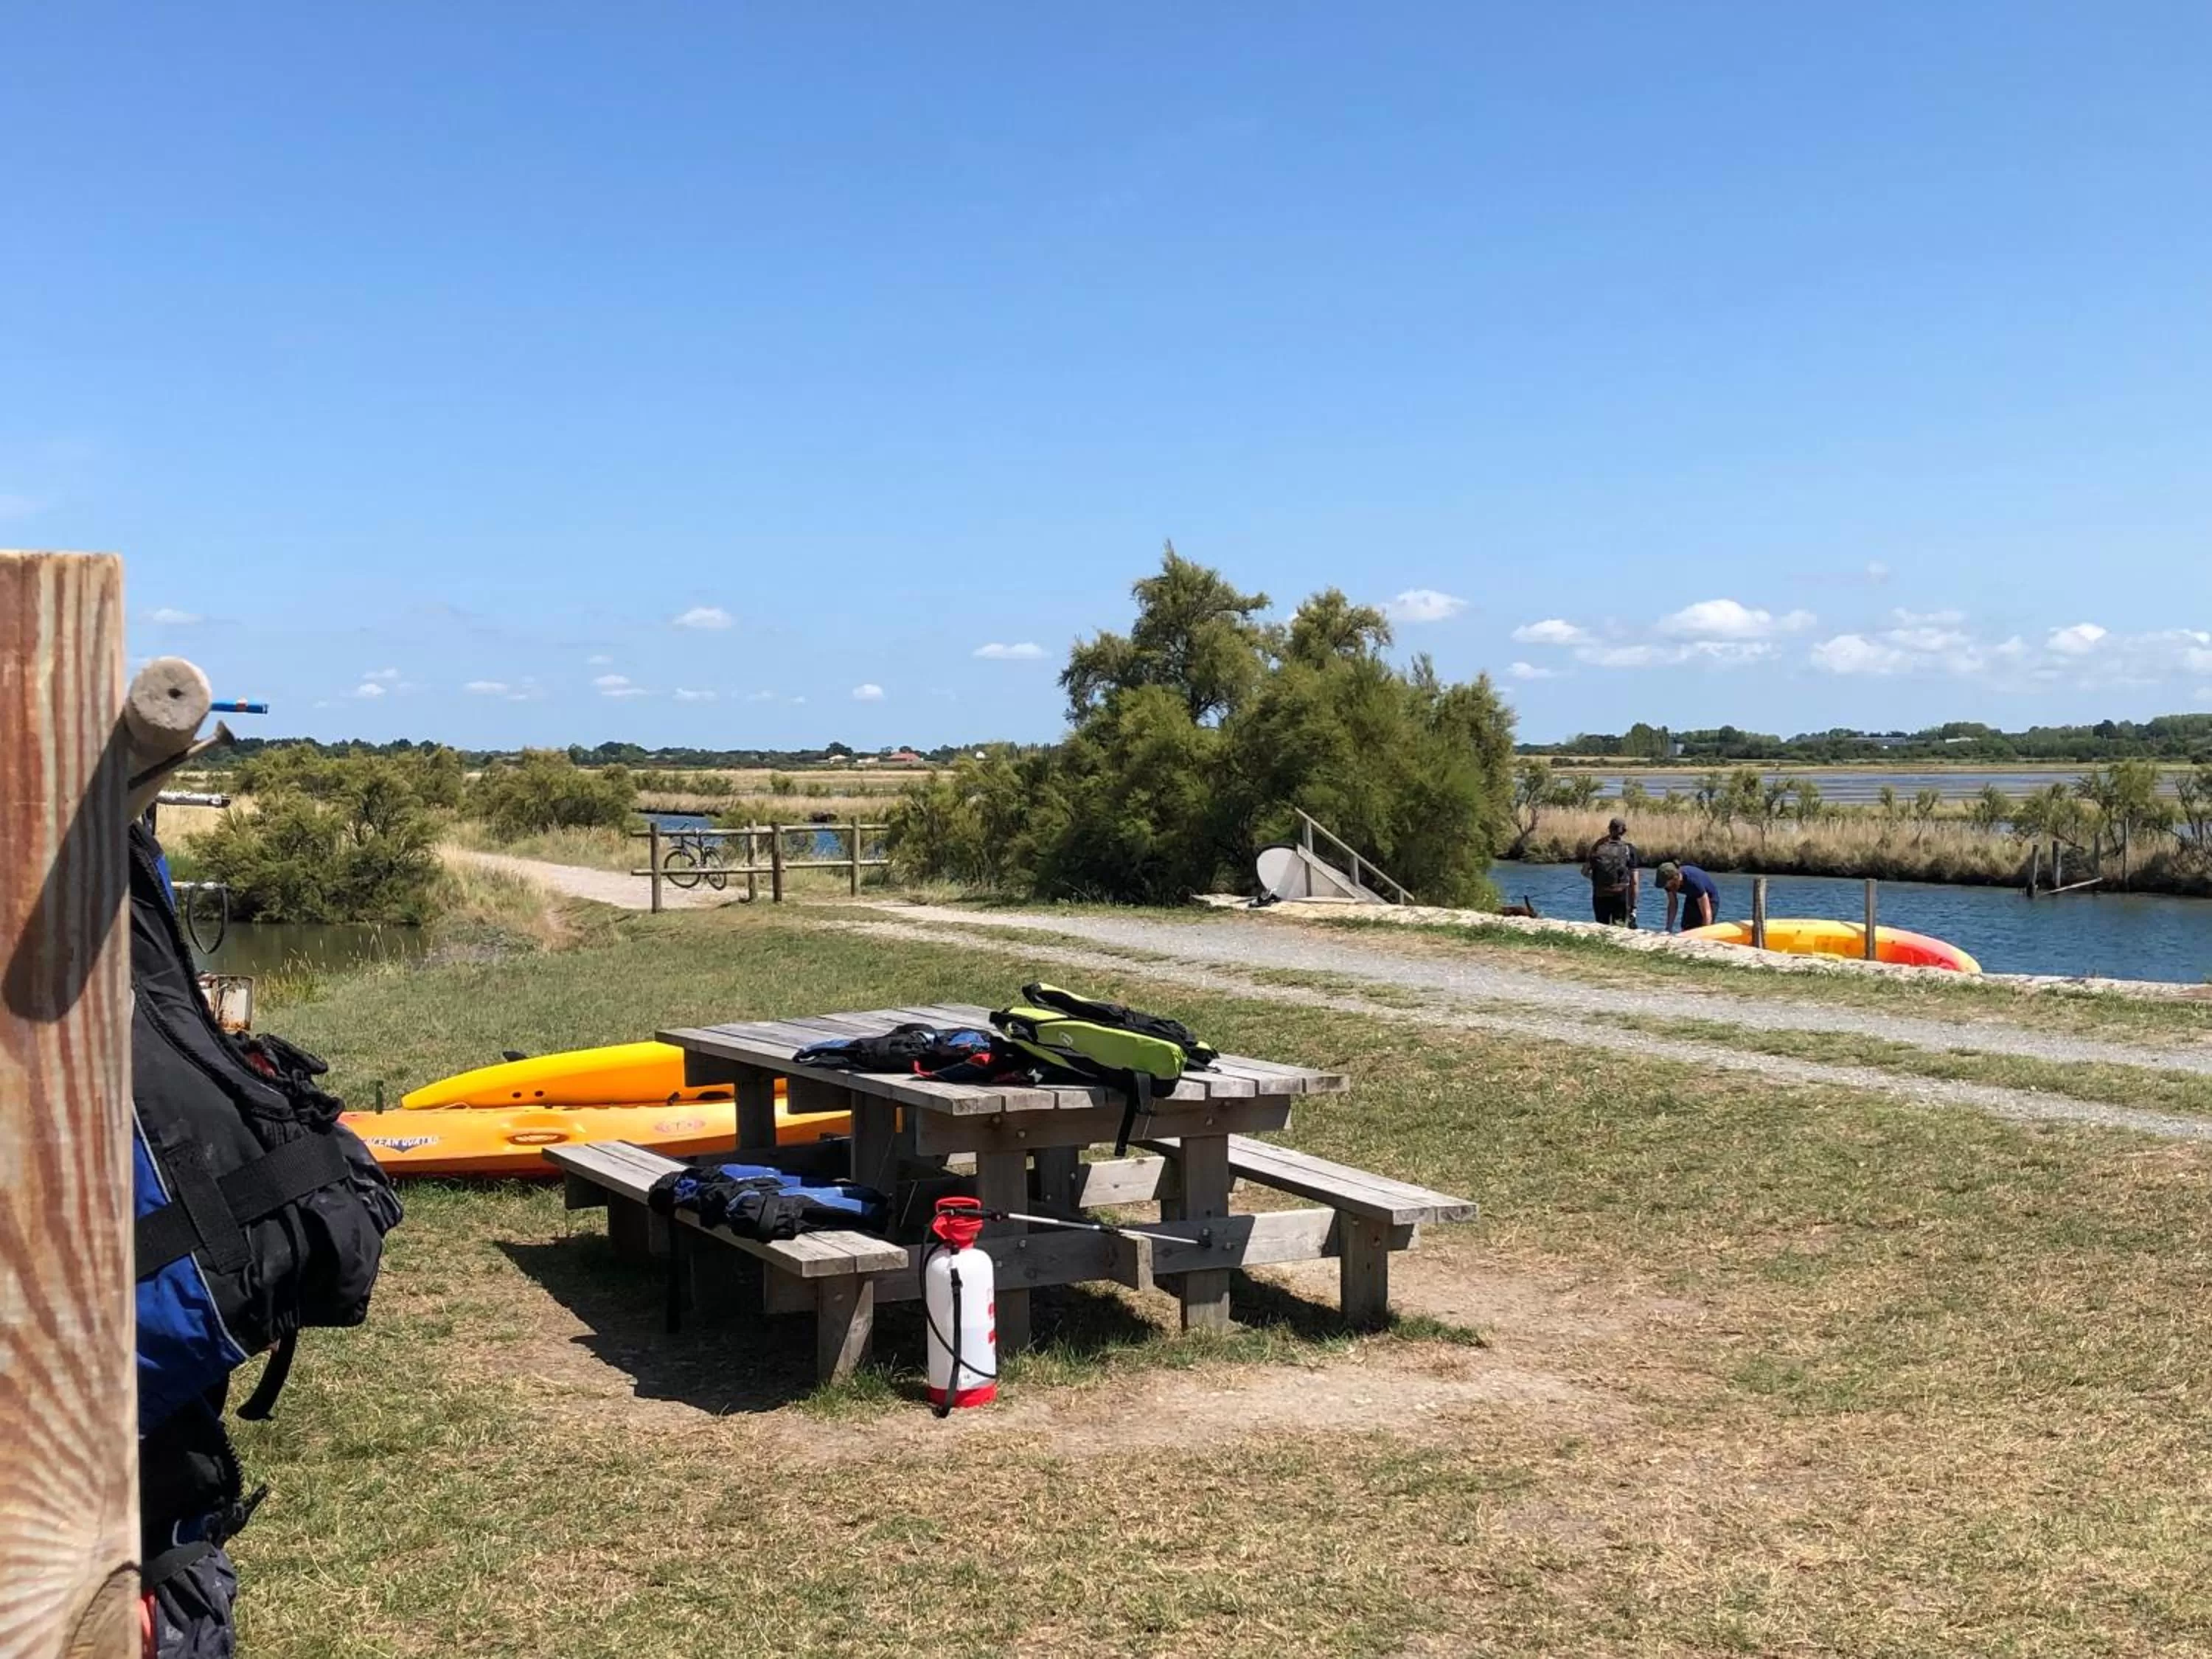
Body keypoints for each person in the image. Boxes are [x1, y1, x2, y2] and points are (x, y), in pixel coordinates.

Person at [1584, 816, 1639, 926]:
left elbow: (1584, 871)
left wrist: (1596, 879)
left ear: (1609, 829)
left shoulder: (1598, 848)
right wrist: (1633, 908)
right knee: (1619, 927)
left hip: (1600, 894)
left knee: (1601, 928)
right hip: (1620, 894)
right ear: (1624, 831)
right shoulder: (1629, 849)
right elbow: (1635, 881)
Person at [1656, 860, 1721, 932]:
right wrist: (1668, 928)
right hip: (1691, 896)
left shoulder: (1692, 881)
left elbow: (1706, 911)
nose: (1667, 887)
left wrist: (1705, 932)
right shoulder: (1667, 884)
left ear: (1675, 878)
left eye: (1668, 884)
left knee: (1702, 926)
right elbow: (1673, 904)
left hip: (1710, 898)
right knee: (1686, 928)